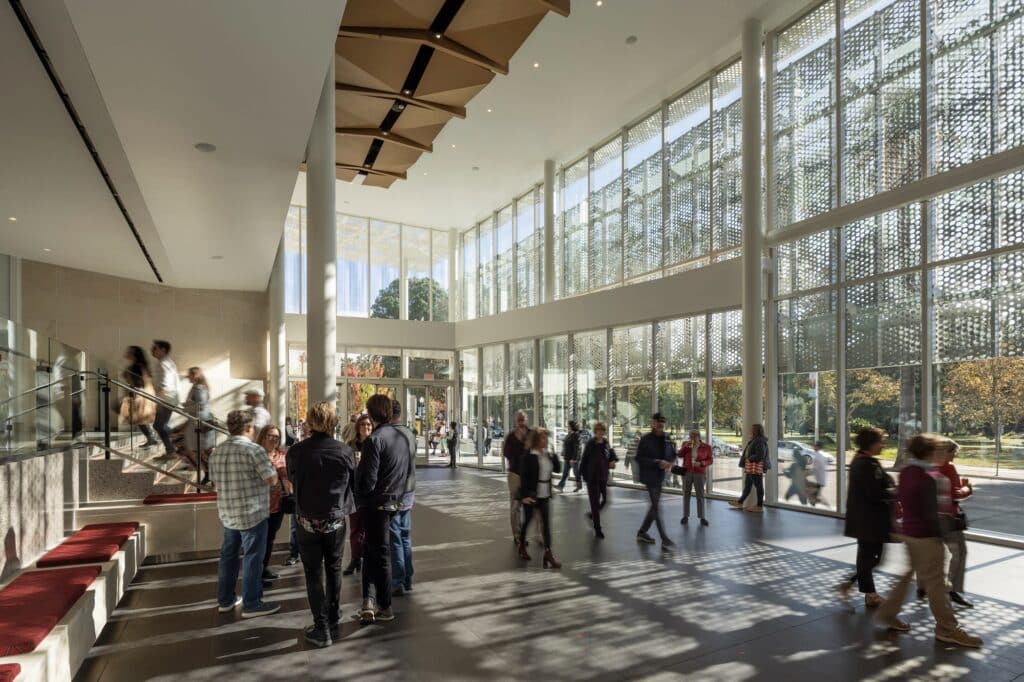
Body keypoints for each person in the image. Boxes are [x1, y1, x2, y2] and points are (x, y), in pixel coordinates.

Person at [876, 434, 982, 647]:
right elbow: (932, 513)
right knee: (937, 584)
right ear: (931, 452)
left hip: (909, 533)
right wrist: (939, 537)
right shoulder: (929, 477)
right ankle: (948, 629)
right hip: (927, 536)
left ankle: (887, 614)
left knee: (907, 575)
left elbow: (902, 501)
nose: (943, 453)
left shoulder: (907, 472)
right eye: (939, 449)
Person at [286, 401, 356, 648]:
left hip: (307, 520)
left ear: (310, 422)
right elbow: (352, 484)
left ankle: (321, 626)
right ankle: (334, 613)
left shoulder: (296, 452)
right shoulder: (345, 452)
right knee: (334, 568)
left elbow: (293, 479)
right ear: (333, 421)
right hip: (336, 519)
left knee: (313, 573)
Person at [209, 409, 280, 618]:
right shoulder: (254, 450)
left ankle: (226, 600)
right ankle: (252, 604)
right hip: (253, 514)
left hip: (228, 514)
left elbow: (214, 482)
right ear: (248, 428)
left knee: (228, 558)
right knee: (252, 559)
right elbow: (272, 479)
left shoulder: (217, 451)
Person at [355, 394, 411, 624]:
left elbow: (367, 481)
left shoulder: (374, 440)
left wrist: (357, 481)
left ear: (371, 412)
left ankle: (385, 605)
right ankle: (369, 600)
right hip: (394, 502)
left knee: (378, 553)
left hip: (375, 504)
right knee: (372, 551)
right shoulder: (401, 437)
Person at [836, 427, 896, 609]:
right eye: (881, 441)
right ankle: (867, 593)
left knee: (869, 557)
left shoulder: (866, 462)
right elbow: (876, 492)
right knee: (870, 558)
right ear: (871, 443)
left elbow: (883, 484)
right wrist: (893, 492)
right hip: (868, 519)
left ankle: (856, 588)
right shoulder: (865, 464)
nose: (883, 444)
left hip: (867, 519)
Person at [933, 439, 973, 608]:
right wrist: (967, 488)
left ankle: (922, 586)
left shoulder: (929, 466)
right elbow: (955, 495)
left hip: (931, 518)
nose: (955, 456)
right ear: (947, 452)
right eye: (954, 452)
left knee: (933, 554)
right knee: (960, 552)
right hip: (948, 518)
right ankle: (953, 590)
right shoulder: (948, 467)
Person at [517, 428, 561, 568]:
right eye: (542, 438)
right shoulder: (529, 456)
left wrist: (554, 456)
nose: (545, 441)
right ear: (536, 440)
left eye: (546, 438)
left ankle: (548, 553)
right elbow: (523, 477)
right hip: (532, 494)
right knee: (527, 521)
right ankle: (521, 546)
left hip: (545, 495)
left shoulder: (547, 454)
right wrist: (523, 496)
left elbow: (558, 469)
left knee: (546, 525)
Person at [389, 400, 417, 597]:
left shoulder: (390, 435)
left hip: (395, 492)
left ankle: (398, 579)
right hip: (409, 490)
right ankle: (408, 578)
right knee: (405, 535)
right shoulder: (409, 433)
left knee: (395, 536)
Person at [635, 413, 675, 549]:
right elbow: (639, 458)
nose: (660, 427)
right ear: (653, 424)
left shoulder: (667, 438)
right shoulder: (646, 439)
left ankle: (642, 532)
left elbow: (673, 454)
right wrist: (658, 462)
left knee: (654, 507)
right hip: (649, 477)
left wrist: (670, 462)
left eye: (662, 424)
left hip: (659, 477)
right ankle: (664, 539)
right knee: (657, 508)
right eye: (658, 424)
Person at [256, 425, 290, 587]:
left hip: (278, 504)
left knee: (270, 538)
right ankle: (257, 574)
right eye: (270, 435)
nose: (274, 439)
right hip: (259, 505)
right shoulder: (256, 454)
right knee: (259, 540)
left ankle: (263, 568)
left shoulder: (282, 455)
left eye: (276, 436)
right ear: (263, 436)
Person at [343, 414, 373, 576]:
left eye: (369, 425)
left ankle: (367, 560)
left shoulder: (376, 443)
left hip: (371, 494)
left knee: (369, 529)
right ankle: (355, 559)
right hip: (354, 493)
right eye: (362, 425)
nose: (366, 427)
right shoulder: (350, 446)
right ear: (357, 427)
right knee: (355, 529)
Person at [579, 422, 617, 539]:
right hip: (592, 478)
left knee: (605, 500)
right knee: (595, 504)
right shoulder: (590, 444)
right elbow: (584, 460)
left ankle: (592, 515)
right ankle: (598, 528)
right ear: (595, 431)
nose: (601, 432)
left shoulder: (606, 443)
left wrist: (612, 461)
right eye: (598, 430)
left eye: (602, 430)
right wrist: (578, 478)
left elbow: (611, 455)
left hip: (603, 477)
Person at [182, 367, 216, 484]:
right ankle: (208, 475)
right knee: (201, 451)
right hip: (200, 422)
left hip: (200, 423)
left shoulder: (198, 388)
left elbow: (200, 405)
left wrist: (185, 407)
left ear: (195, 375)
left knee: (203, 451)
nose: (188, 378)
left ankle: (211, 476)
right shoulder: (199, 387)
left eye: (190, 375)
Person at [121, 346, 158, 446]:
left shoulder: (136, 366)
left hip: (139, 394)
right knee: (140, 419)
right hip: (143, 393)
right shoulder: (139, 365)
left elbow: (138, 381)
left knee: (139, 418)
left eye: (129, 352)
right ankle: (151, 437)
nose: (126, 353)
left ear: (134, 354)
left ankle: (151, 437)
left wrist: (134, 392)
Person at [503, 410, 530, 546]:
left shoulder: (531, 435)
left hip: (528, 477)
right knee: (515, 506)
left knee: (532, 507)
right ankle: (517, 535)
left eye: (523, 419)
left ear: (526, 420)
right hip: (514, 475)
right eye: (519, 419)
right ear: (515, 421)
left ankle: (535, 534)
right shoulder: (511, 437)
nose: (521, 422)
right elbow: (506, 452)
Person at [729, 424, 770, 512]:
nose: (750, 431)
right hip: (751, 467)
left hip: (754, 467)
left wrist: (749, 458)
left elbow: (760, 455)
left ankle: (759, 506)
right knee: (748, 485)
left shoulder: (759, 440)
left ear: (756, 431)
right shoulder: (755, 440)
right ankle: (740, 502)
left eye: (752, 429)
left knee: (758, 486)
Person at [150, 340, 179, 457]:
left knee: (159, 425)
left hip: (165, 399)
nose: (152, 350)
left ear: (163, 350)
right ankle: (172, 448)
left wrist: (158, 401)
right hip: (169, 398)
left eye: (155, 348)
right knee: (160, 425)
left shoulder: (163, 363)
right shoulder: (168, 362)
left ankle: (173, 447)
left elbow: (165, 384)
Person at [678, 429, 712, 527]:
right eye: (690, 436)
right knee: (686, 494)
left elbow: (710, 460)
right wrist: (686, 447)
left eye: (693, 436)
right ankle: (685, 516)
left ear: (698, 436)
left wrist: (701, 463)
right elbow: (680, 455)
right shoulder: (687, 444)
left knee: (700, 496)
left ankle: (702, 517)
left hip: (699, 473)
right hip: (687, 472)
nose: (691, 438)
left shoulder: (706, 447)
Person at [556, 420, 582, 492]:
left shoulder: (576, 435)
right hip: (568, 457)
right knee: (565, 472)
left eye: (569, 425)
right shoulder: (570, 434)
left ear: (572, 426)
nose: (568, 427)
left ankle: (579, 486)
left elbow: (577, 448)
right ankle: (561, 486)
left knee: (576, 473)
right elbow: (566, 443)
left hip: (573, 458)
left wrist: (574, 458)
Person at [807, 442, 829, 507]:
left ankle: (823, 504)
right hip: (820, 478)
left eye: (815, 446)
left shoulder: (818, 456)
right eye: (814, 445)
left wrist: (807, 473)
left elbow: (815, 468)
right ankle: (816, 502)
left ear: (818, 447)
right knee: (815, 494)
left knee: (814, 494)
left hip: (818, 479)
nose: (813, 447)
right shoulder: (821, 454)